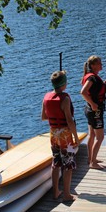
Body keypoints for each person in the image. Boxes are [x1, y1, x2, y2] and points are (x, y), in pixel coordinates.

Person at [41, 70, 80, 202]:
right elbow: (69, 120)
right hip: (65, 135)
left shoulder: (46, 97)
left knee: (56, 162)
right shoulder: (65, 99)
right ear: (63, 84)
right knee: (68, 164)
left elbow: (44, 117)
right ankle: (67, 194)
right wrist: (75, 137)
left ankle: (56, 191)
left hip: (53, 133)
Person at [80, 55, 106, 170]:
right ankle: (93, 162)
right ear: (92, 65)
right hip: (95, 111)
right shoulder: (91, 78)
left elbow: (94, 89)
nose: (101, 65)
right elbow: (83, 92)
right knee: (100, 137)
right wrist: (93, 104)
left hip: (90, 110)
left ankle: (90, 158)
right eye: (99, 63)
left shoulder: (93, 77)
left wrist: (104, 84)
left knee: (92, 135)